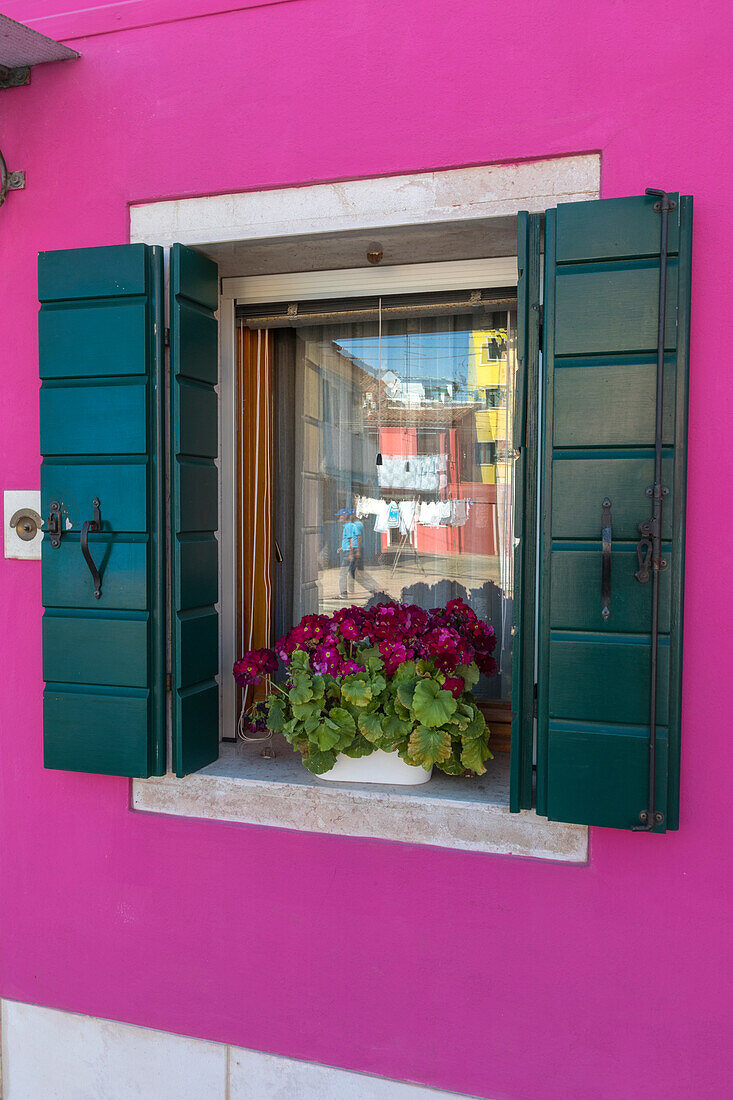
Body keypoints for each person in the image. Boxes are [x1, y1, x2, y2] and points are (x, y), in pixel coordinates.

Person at [337, 509, 378, 599]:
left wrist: (351, 553)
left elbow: (353, 539)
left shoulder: (349, 526)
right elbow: (352, 539)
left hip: (349, 552)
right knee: (354, 574)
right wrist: (342, 548)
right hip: (349, 550)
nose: (338, 519)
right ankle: (372, 590)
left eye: (339, 516)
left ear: (344, 517)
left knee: (343, 574)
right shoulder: (350, 525)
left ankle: (343, 594)